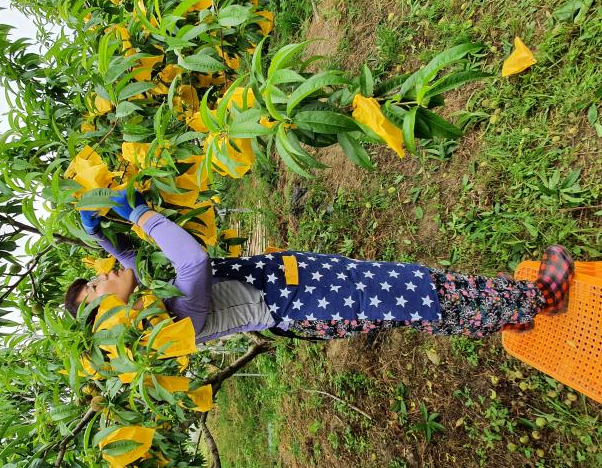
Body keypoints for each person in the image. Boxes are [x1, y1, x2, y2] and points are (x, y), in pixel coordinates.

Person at [64, 190, 573, 343]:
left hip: (303, 283)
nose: (102, 276)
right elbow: (191, 260)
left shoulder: (152, 306)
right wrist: (140, 214)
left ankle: (506, 315)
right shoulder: (171, 324)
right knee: (421, 292)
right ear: (113, 322)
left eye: (92, 277)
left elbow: (138, 269)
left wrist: (103, 236)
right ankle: (537, 299)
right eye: (96, 292)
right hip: (311, 300)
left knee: (416, 297)